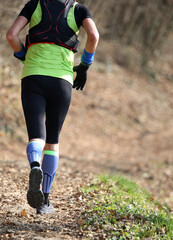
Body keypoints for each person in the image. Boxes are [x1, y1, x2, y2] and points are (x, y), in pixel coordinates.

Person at [6, 0, 99, 214]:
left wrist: (23, 55)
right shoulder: (79, 10)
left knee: (36, 136)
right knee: (53, 139)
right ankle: (45, 201)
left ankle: (35, 166)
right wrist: (84, 65)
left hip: (33, 76)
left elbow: (11, 35)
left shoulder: (34, 5)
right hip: (61, 80)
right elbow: (94, 36)